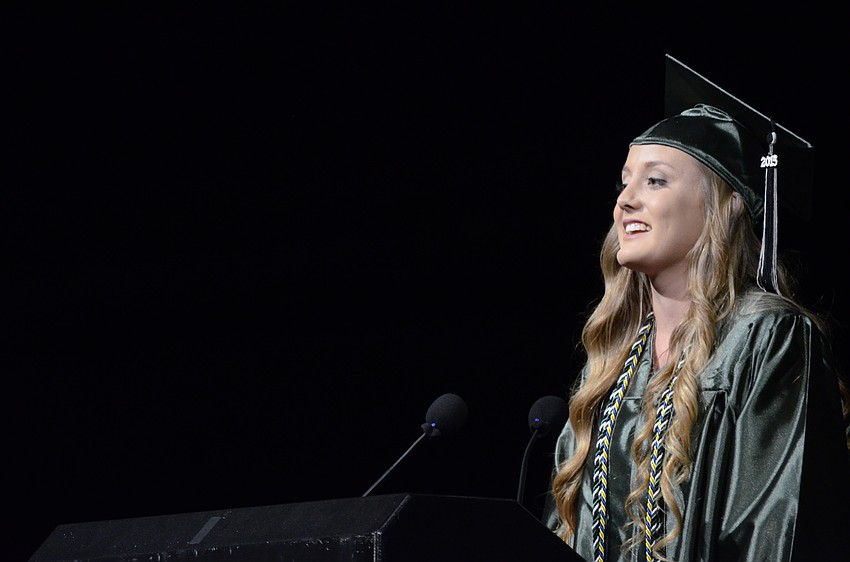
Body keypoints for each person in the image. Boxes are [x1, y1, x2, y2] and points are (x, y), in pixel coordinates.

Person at [544, 56, 850, 562]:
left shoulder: (766, 339)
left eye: (655, 181)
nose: (625, 201)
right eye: (624, 182)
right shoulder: (613, 364)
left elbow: (776, 531)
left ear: (717, 205)